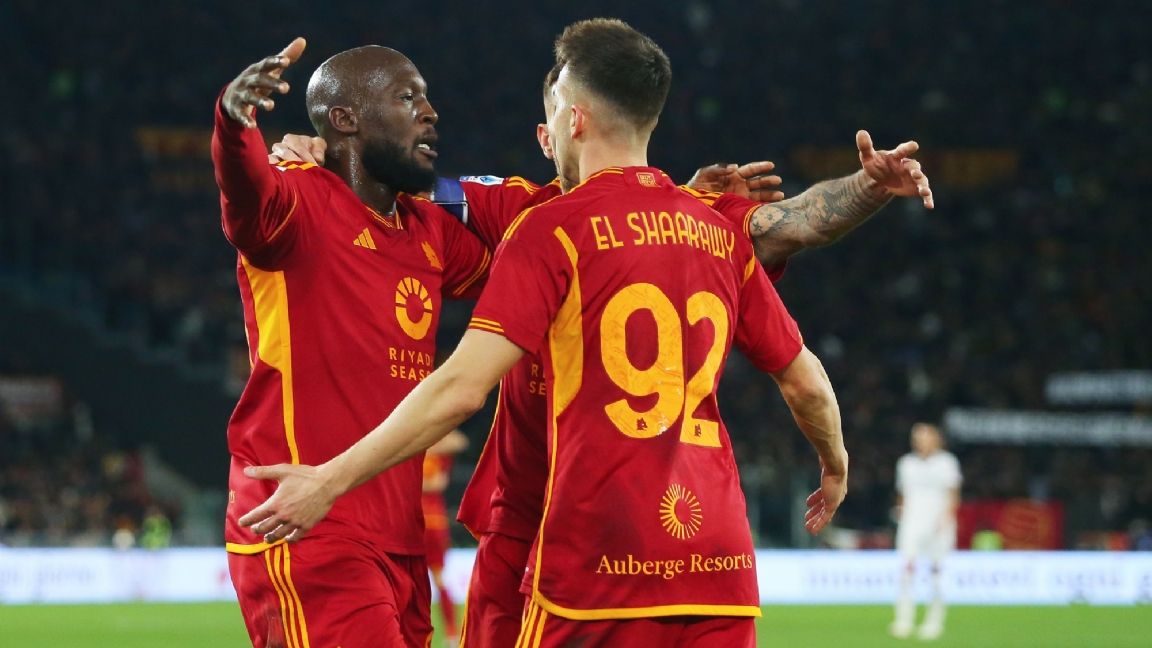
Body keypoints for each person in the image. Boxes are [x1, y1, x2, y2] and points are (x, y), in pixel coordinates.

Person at [265, 42, 933, 648]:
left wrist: (329, 159)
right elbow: (796, 261)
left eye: (552, 116)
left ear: (570, 121)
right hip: (696, 546)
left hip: (580, 537)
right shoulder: (698, 221)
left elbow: (461, 382)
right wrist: (331, 161)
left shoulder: (543, 228)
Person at [213, 38, 494, 647]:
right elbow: (246, 191)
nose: (430, 112)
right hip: (305, 521)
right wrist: (235, 123)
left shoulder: (427, 230)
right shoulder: (299, 201)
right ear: (345, 119)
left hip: (399, 535)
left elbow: (534, 257)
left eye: (425, 97)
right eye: (407, 97)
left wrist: (664, 200)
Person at [891, 422, 962, 640]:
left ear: (936, 440)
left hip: (939, 525)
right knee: (906, 571)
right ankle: (904, 620)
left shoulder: (947, 463)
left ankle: (934, 621)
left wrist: (946, 519)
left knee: (936, 574)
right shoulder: (906, 464)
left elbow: (953, 495)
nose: (921, 442)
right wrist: (902, 515)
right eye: (918, 439)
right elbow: (902, 494)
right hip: (911, 524)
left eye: (926, 438)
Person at [421, 429, 469, 648]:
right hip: (412, 522)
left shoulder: (431, 453)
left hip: (433, 523)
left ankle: (451, 632)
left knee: (439, 579)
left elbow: (460, 440)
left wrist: (428, 444)